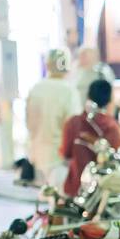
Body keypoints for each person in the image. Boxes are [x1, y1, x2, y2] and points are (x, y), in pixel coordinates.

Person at [59, 78, 120, 197]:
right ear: (109, 100)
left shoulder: (73, 122)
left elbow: (65, 153)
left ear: (88, 95)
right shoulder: (111, 126)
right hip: (101, 193)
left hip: (74, 187)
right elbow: (118, 158)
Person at [25, 48, 80, 186]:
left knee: (41, 200)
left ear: (47, 65)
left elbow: (29, 123)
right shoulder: (69, 91)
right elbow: (73, 127)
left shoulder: (36, 88)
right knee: (57, 203)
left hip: (37, 155)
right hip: (58, 158)